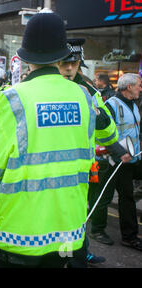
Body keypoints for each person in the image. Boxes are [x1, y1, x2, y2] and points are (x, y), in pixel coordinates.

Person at [0, 11, 109, 268]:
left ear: (26, 58)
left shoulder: (12, 100)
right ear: (60, 56)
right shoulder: (85, 97)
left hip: (16, 236)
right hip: (67, 233)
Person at [58, 38, 128, 266]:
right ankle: (66, 257)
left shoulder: (88, 89)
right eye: (64, 63)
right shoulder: (46, 88)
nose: (69, 68)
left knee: (76, 217)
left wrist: (117, 149)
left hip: (80, 167)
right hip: (50, 166)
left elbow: (105, 125)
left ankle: (77, 255)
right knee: (60, 220)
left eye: (75, 63)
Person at [88, 73, 142, 252]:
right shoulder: (111, 105)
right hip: (110, 161)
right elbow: (103, 134)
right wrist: (118, 152)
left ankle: (130, 237)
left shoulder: (133, 104)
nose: (140, 89)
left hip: (128, 160)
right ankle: (97, 230)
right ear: (129, 87)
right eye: (139, 85)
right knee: (104, 197)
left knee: (127, 198)